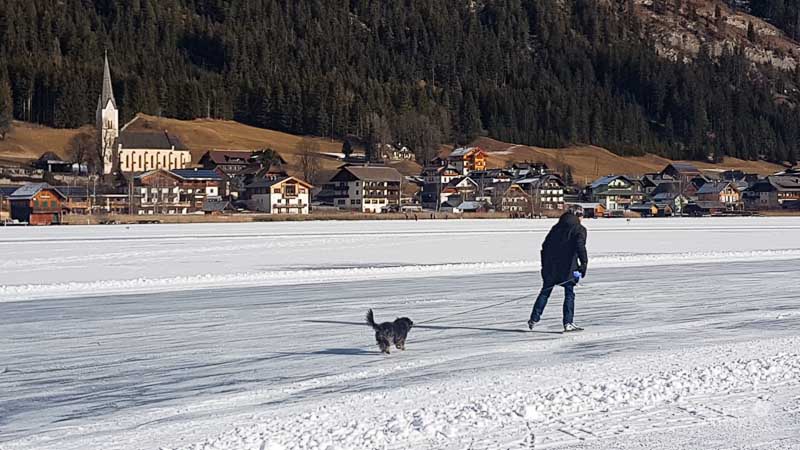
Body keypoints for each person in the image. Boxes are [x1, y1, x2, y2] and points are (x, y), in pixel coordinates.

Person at [528, 205, 588, 332]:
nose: (583, 218)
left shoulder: (556, 228)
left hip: (551, 267)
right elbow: (580, 247)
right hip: (567, 268)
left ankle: (534, 318)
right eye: (582, 215)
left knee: (545, 292)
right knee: (569, 293)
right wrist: (583, 264)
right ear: (578, 215)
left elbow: (544, 246)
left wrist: (545, 266)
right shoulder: (579, 229)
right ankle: (568, 322)